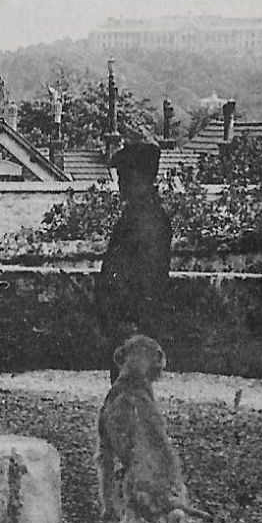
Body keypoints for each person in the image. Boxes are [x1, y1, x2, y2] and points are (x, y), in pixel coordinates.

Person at [96, 141, 172, 380]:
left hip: (133, 325)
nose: (120, 184)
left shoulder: (146, 220)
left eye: (124, 176)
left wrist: (131, 319)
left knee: (129, 392)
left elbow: (146, 276)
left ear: (138, 177)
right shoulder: (140, 215)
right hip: (126, 323)